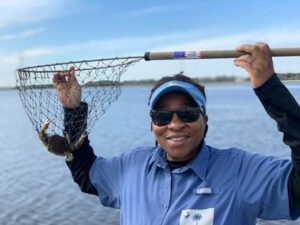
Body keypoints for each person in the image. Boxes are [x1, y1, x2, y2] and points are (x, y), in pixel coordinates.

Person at [52, 42, 300, 225]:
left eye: (188, 113)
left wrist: (269, 87)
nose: (175, 124)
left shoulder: (239, 170)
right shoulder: (132, 167)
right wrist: (73, 111)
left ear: (205, 119)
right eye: (162, 116)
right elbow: (86, 174)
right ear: (152, 124)